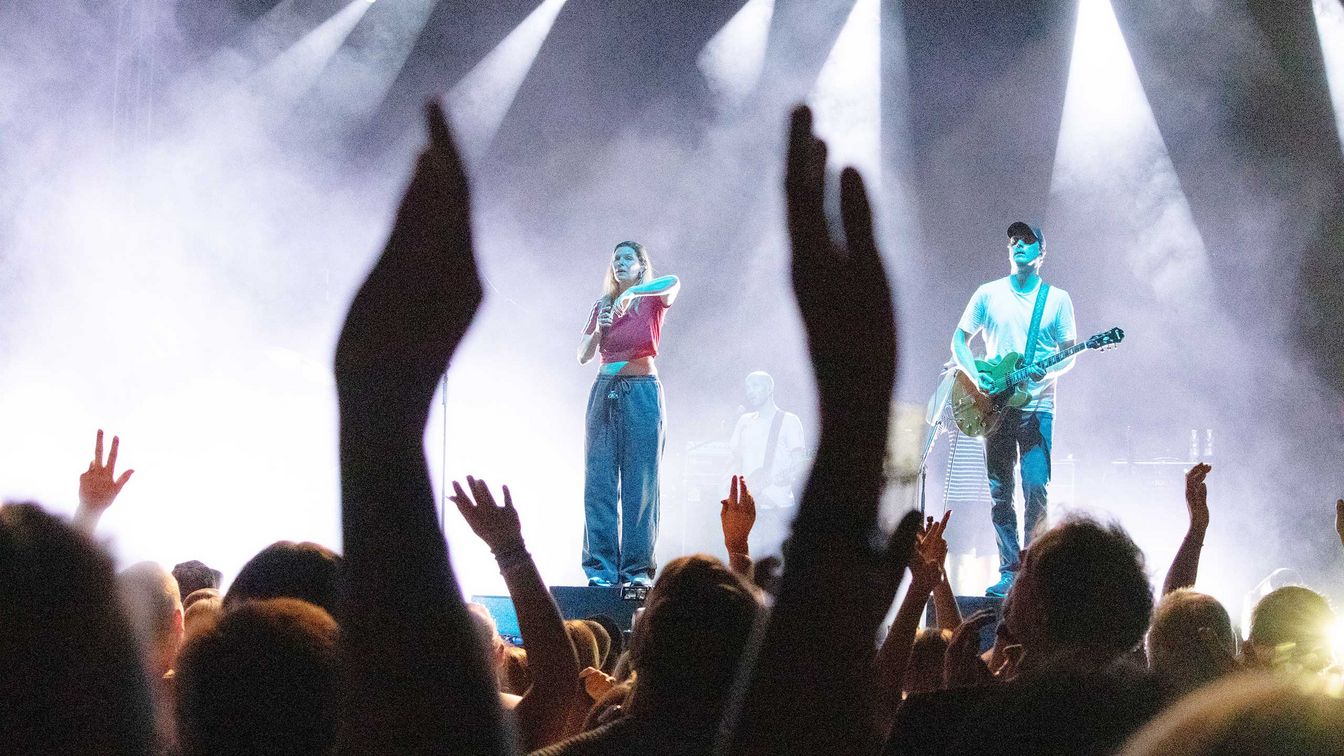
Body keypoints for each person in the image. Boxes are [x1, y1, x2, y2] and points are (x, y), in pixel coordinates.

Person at [951, 221, 1076, 597]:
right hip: (994, 407)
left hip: (1038, 405)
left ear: (1041, 253)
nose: (1018, 245)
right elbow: (959, 341)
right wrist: (975, 379)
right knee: (1000, 491)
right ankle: (1009, 571)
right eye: (1013, 241)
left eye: (1026, 241)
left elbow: (1068, 352)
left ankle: (1033, 572)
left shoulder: (1057, 300)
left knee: (1036, 486)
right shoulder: (987, 294)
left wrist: (1047, 370)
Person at [577, 241, 681, 587]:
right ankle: (601, 571)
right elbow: (582, 354)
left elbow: (673, 283)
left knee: (641, 482)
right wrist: (598, 330)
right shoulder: (602, 304)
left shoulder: (651, 298)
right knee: (599, 482)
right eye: (615, 259)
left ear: (640, 265)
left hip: (641, 391)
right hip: (605, 390)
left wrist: (631, 295)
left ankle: (636, 572)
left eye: (627, 258)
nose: (620, 263)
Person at [728, 371, 807, 556]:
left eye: (755, 385)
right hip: (748, 506)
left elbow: (799, 463)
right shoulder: (744, 421)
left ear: (769, 388)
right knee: (746, 559)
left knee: (776, 561)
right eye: (747, 387)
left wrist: (785, 477)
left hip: (777, 505)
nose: (750, 391)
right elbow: (736, 461)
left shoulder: (788, 420)